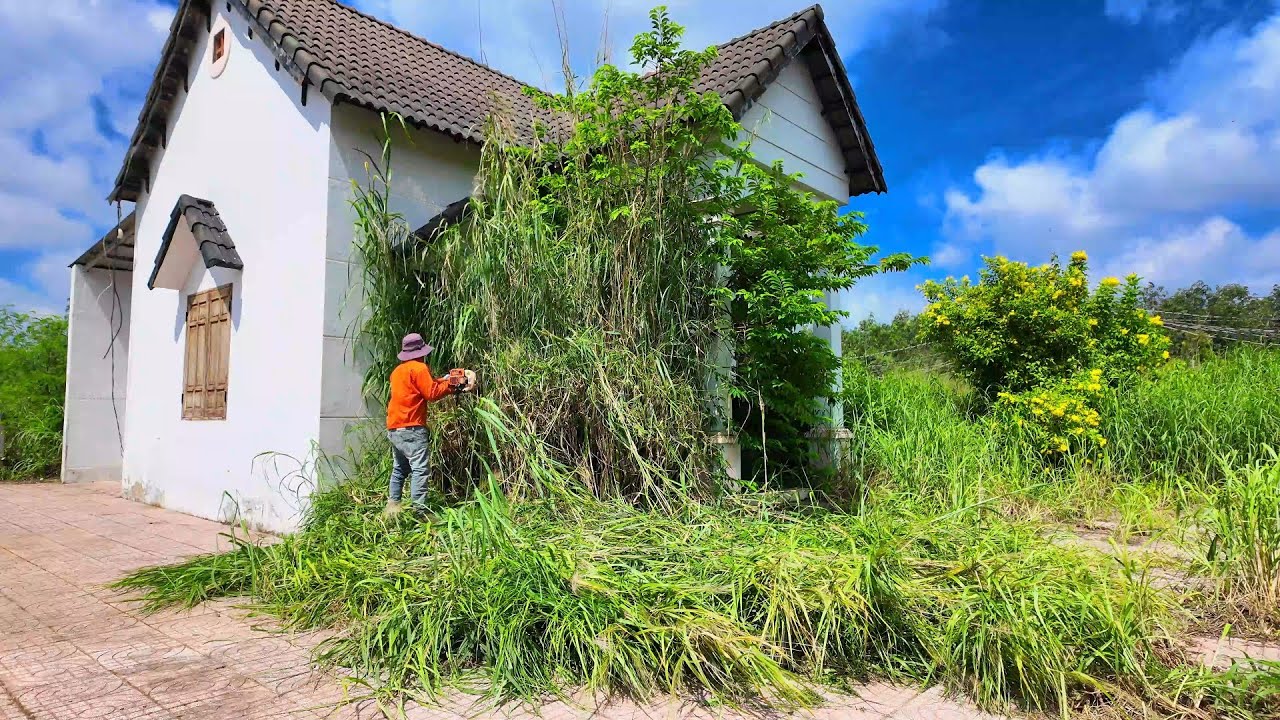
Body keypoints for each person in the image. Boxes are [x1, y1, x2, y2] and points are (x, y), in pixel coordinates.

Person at [384, 332, 475, 516]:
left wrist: (447, 378)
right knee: (420, 469)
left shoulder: (397, 372)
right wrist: (454, 383)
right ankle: (420, 512)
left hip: (394, 428)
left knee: (400, 468)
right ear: (421, 352)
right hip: (412, 428)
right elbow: (432, 393)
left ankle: (392, 507)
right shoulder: (419, 368)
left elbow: (427, 386)